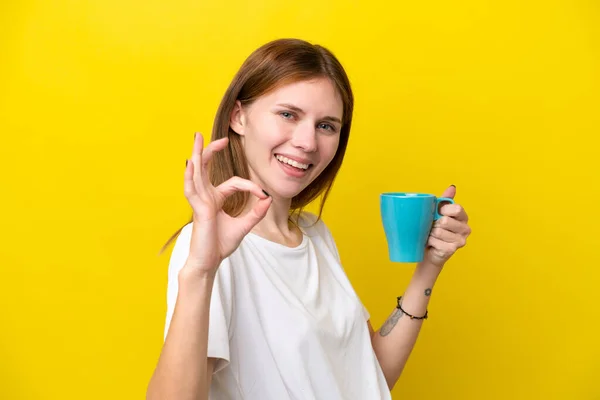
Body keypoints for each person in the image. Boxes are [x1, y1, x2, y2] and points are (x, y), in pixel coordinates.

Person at [146, 38, 471, 400]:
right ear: (239, 117)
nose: (307, 142)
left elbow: (369, 377)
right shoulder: (210, 252)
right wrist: (201, 270)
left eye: (327, 126)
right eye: (288, 114)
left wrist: (429, 266)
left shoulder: (315, 234)